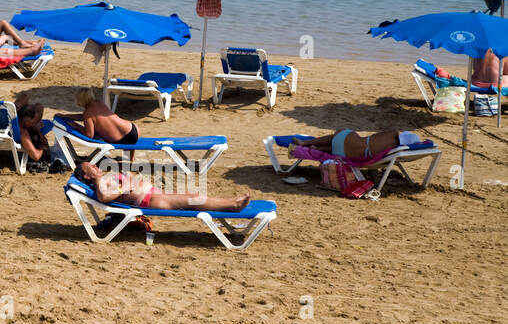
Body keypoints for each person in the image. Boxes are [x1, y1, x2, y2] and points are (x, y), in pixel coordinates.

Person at [75, 161, 250, 212]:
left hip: (152, 195)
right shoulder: (99, 182)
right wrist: (125, 186)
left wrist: (128, 178)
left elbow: (129, 179)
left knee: (192, 197)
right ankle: (233, 205)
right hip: (149, 200)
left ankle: (231, 202)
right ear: (86, 175)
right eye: (92, 167)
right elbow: (104, 197)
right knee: (193, 198)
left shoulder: (105, 177)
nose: (96, 166)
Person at [51, 88, 142, 145]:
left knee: (98, 135)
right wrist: (66, 116)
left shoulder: (88, 114)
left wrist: (76, 126)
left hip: (121, 139)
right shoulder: (99, 103)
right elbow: (86, 117)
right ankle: (131, 159)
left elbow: (89, 135)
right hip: (134, 130)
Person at [292, 128, 425, 161]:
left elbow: (373, 136)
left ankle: (306, 142)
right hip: (348, 154)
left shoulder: (390, 134)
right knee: (345, 144)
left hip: (345, 143)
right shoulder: (394, 149)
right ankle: (316, 148)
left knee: (342, 134)